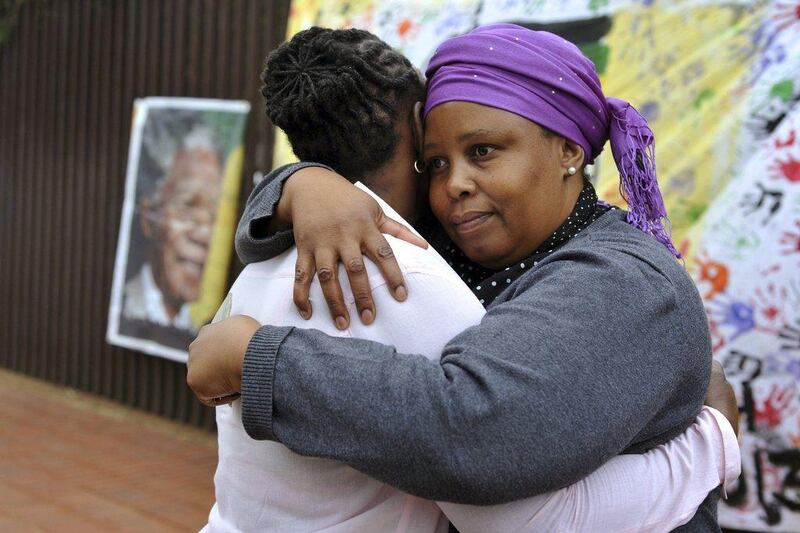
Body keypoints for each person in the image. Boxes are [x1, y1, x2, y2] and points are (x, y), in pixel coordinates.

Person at [190, 25, 738, 530]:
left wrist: (260, 360)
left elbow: (478, 434)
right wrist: (304, 184)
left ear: (570, 150)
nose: (455, 184)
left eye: (483, 151)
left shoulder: (622, 280)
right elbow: (357, 188)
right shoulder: (460, 243)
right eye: (437, 164)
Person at [124, 137, 222, 331]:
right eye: (187, 206)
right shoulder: (124, 308)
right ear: (148, 219)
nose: (204, 234)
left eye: (216, 217)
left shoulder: (210, 326)